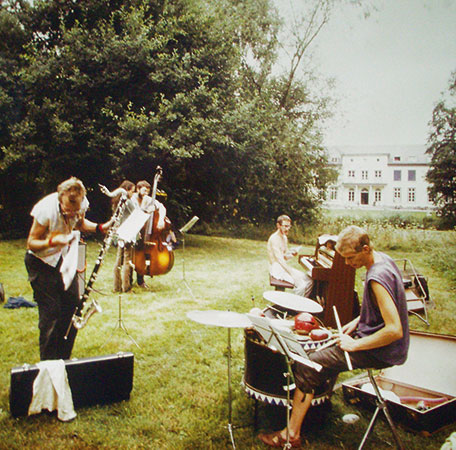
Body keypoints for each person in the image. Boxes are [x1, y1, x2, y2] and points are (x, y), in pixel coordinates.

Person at [258, 225, 410, 448]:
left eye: (350, 258)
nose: (347, 264)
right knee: (318, 350)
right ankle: (318, 405)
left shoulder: (377, 277)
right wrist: (359, 321)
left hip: (383, 350)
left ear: (366, 248)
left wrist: (355, 345)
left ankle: (291, 435)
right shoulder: (383, 260)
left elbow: (394, 329)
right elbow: (385, 308)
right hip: (380, 341)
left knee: (309, 363)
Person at [25, 177, 112, 360]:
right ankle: (49, 365)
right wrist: (52, 241)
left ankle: (64, 359)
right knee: (51, 314)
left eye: (75, 210)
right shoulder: (45, 209)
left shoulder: (80, 204)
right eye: (67, 210)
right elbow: (31, 243)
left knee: (73, 307)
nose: (72, 214)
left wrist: (100, 227)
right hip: (40, 263)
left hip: (63, 262)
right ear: (60, 197)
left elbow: (80, 223)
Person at [131, 180, 167, 288]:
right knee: (131, 255)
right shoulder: (132, 199)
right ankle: (127, 280)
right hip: (134, 230)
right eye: (144, 190)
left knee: (141, 255)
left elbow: (162, 207)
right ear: (138, 189)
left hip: (146, 231)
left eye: (148, 191)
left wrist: (161, 219)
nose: (146, 193)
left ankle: (140, 280)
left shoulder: (148, 199)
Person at [102, 180, 136, 293]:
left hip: (118, 233)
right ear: (127, 191)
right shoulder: (128, 201)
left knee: (118, 260)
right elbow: (136, 213)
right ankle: (126, 288)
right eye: (132, 191)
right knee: (127, 261)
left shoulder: (116, 202)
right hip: (127, 233)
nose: (133, 194)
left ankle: (116, 287)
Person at [267, 214, 313, 297]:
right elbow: (279, 260)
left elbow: (284, 256)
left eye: (289, 226)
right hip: (277, 269)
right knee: (301, 285)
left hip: (284, 268)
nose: (287, 229)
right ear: (278, 226)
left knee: (310, 280)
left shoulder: (284, 238)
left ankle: (303, 302)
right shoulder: (274, 239)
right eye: (285, 226)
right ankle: (295, 307)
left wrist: (292, 254)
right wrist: (292, 273)